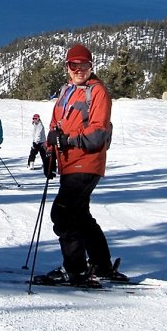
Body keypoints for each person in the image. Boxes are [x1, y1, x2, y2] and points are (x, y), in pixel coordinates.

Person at [40, 44, 126, 286]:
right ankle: (101, 265)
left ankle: (75, 269)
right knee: (81, 215)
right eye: (73, 65)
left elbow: (97, 134)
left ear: (91, 66)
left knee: (64, 213)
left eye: (84, 65)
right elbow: (55, 126)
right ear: (67, 67)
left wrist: (66, 140)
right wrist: (50, 153)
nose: (79, 70)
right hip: (69, 163)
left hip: (87, 162)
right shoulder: (67, 91)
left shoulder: (97, 92)